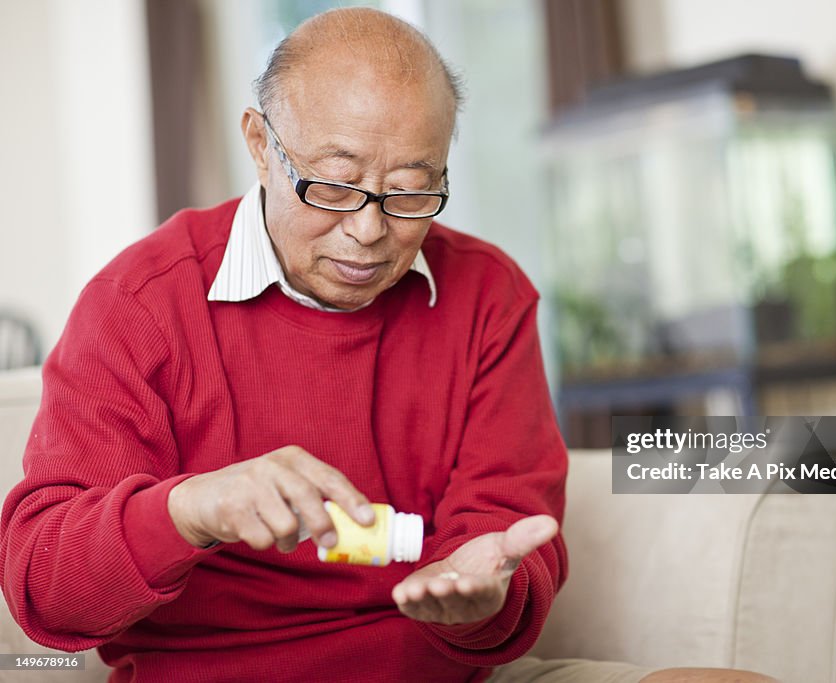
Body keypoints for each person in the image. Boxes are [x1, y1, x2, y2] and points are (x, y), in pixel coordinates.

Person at [0, 8, 774, 683]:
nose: (370, 231)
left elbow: (505, 532)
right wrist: (190, 507)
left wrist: (482, 597)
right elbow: (42, 584)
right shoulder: (142, 305)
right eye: (333, 185)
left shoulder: (487, 297)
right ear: (262, 146)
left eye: (411, 190)